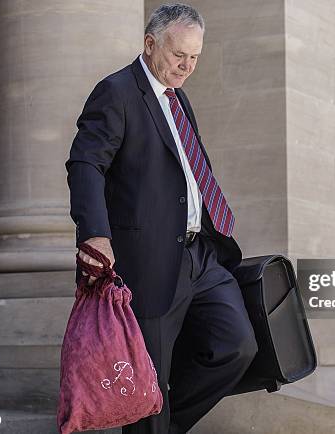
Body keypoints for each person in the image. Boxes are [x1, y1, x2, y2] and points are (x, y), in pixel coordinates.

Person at [65, 4, 258, 433]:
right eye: (178, 56)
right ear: (151, 44)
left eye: (195, 58)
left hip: (201, 255)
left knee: (238, 346)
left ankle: (163, 421)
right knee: (146, 376)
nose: (187, 67)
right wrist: (95, 234)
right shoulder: (116, 92)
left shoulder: (180, 97)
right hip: (147, 259)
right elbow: (85, 163)